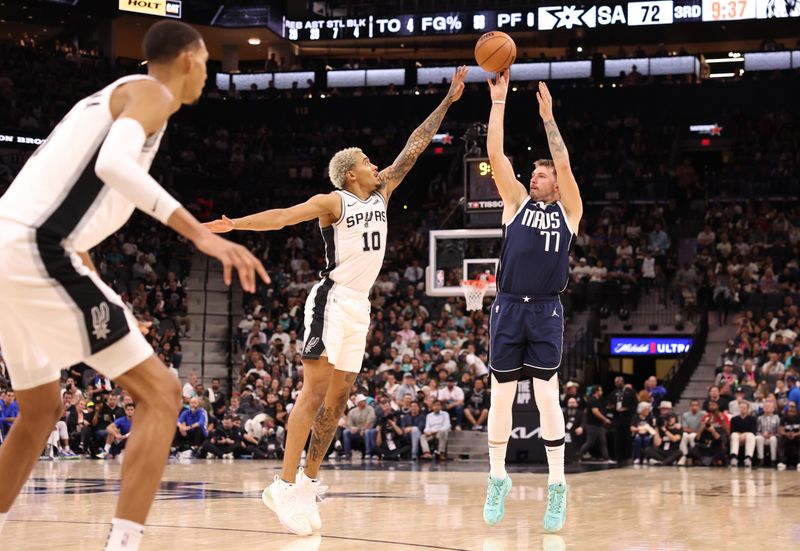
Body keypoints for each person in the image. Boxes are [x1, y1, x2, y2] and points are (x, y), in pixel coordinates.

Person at [0, 20, 267, 551]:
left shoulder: (104, 99)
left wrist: (108, 293)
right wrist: (201, 237)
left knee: (40, 409)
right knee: (163, 394)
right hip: (33, 251)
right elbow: (113, 164)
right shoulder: (152, 93)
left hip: (15, 248)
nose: (205, 76)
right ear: (191, 58)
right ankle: (124, 545)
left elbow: (74, 216)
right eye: (208, 65)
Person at [205, 67, 468, 535]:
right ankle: (282, 485)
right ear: (351, 173)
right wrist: (235, 224)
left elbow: (414, 146)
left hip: (360, 306)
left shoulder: (382, 193)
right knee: (314, 391)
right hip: (331, 299)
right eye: (368, 161)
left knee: (339, 399)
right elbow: (284, 216)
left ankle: (307, 481)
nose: (376, 164)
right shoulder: (334, 202)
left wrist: (448, 101)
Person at [482, 75, 583, 533]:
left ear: (556, 184)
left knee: (546, 395)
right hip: (508, 306)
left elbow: (562, 158)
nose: (533, 177)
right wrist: (499, 101)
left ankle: (557, 486)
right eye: (533, 174)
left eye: (541, 175)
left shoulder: (569, 211)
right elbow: (495, 155)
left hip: (546, 308)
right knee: (500, 394)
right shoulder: (515, 203)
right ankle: (497, 476)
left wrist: (548, 118)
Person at [580, 386, 612, 461]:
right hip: (592, 425)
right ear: (596, 391)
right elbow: (595, 412)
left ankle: (606, 458)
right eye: (600, 390)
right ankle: (579, 456)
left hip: (599, 425)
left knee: (603, 441)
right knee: (590, 442)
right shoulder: (592, 400)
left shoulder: (599, 400)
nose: (602, 392)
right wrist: (605, 419)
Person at [610, 376, 637, 462]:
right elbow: (609, 403)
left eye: (619, 382)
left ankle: (628, 456)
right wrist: (612, 407)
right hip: (617, 418)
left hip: (627, 417)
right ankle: (618, 457)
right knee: (617, 438)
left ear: (623, 382)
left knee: (627, 437)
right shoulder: (614, 393)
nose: (617, 383)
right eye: (616, 382)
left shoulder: (631, 392)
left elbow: (635, 404)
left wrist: (626, 409)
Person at [729, 401, 756, 467]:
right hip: (738, 436)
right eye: (741, 408)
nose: (742, 409)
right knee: (734, 435)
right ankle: (734, 457)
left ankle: (748, 458)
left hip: (747, 437)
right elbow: (732, 430)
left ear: (747, 409)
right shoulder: (734, 419)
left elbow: (753, 431)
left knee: (751, 436)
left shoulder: (752, 419)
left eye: (744, 408)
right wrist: (740, 435)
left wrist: (745, 434)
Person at [678, 400, 703, 466]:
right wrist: (695, 432)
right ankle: (684, 455)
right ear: (690, 406)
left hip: (699, 434)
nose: (694, 407)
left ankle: (694, 455)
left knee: (692, 436)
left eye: (696, 405)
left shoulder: (703, 415)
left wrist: (698, 432)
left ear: (699, 407)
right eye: (692, 405)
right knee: (684, 435)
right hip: (690, 432)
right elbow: (685, 428)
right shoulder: (685, 415)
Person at [777, 401, 800, 470]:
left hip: (797, 436)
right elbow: (780, 430)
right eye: (789, 407)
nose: (790, 409)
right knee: (781, 439)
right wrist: (787, 434)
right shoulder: (784, 417)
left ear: (796, 408)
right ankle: (782, 462)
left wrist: (795, 434)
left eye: (792, 407)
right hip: (786, 436)